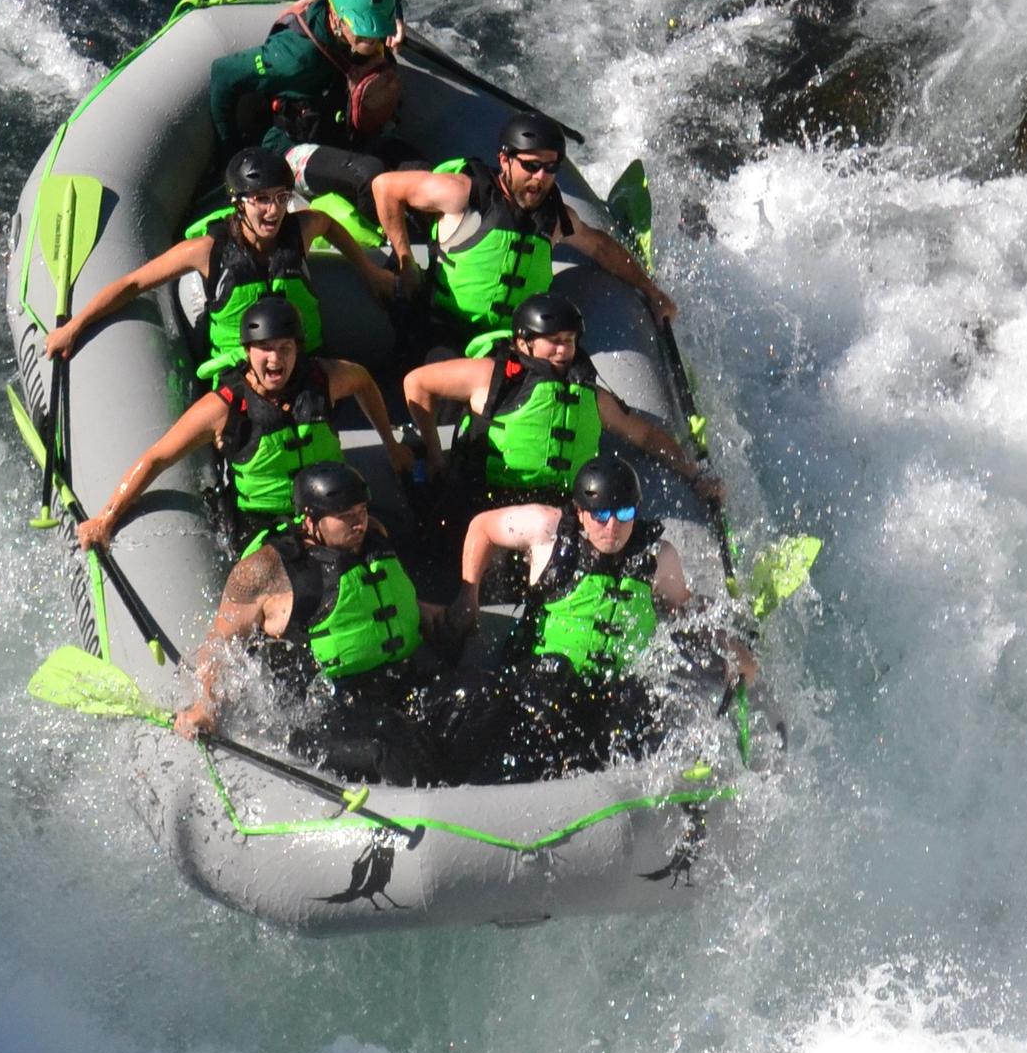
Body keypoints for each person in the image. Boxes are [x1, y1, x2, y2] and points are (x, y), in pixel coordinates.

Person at [453, 454, 755, 774]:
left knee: (639, 700)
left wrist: (733, 644)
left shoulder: (658, 557)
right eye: (600, 515)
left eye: (624, 513)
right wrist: (467, 598)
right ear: (581, 513)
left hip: (614, 693)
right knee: (552, 684)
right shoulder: (546, 531)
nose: (612, 526)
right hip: (546, 683)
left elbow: (685, 609)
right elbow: (481, 528)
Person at [70, 297, 412, 550]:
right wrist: (107, 516)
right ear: (248, 352)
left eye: (285, 348)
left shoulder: (324, 379)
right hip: (266, 528)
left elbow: (364, 381)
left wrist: (391, 445)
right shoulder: (223, 408)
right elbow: (158, 457)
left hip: (331, 513)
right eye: (265, 349)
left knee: (379, 541)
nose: (276, 359)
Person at [42, 149, 400, 379]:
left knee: (358, 381)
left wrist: (371, 273)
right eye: (261, 200)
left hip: (299, 366)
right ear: (239, 203)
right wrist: (74, 327)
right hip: (239, 377)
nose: (273, 211)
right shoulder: (205, 251)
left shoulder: (300, 231)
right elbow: (134, 284)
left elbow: (327, 223)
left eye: (280, 199)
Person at [175, 459, 431, 771]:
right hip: (324, 713)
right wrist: (205, 706)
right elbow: (219, 643)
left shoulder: (373, 536)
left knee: (483, 695)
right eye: (346, 517)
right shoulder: (263, 570)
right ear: (309, 521)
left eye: (362, 511)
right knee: (391, 741)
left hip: (394, 684)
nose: (359, 523)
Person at [374, 112, 673, 355]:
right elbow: (385, 188)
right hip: (443, 327)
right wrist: (406, 262)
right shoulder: (463, 192)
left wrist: (651, 291)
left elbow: (599, 247)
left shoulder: (555, 218)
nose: (541, 177)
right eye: (531, 166)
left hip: (510, 341)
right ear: (505, 160)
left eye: (550, 167)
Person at [401, 290, 717, 514]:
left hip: (560, 505)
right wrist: (433, 454)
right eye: (553, 342)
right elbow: (416, 383)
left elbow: (644, 434)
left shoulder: (588, 392)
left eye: (569, 342)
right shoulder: (489, 375)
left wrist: (692, 472)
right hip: (490, 500)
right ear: (524, 343)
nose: (563, 351)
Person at [209, 0, 421, 202]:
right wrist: (230, 152)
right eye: (364, 32)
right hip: (293, 149)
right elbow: (223, 73)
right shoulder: (294, 56)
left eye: (377, 31)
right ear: (335, 16)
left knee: (417, 166)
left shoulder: (369, 5)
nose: (374, 39)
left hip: (351, 137)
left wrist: (395, 17)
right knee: (368, 173)